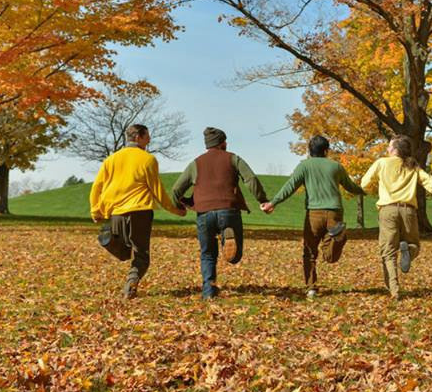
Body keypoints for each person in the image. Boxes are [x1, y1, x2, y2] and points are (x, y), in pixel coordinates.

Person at [260, 135, 364, 298]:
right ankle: (337, 238)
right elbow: (350, 186)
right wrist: (365, 190)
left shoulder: (304, 166)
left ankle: (311, 288)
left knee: (309, 251)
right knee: (330, 256)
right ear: (326, 150)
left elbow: (290, 186)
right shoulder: (336, 166)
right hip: (334, 212)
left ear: (309, 151)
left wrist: (273, 203)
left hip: (313, 214)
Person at [89, 123, 186, 300]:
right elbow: (157, 190)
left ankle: (109, 242)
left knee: (124, 250)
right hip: (140, 212)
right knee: (141, 253)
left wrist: (96, 210)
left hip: (116, 212)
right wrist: (174, 210)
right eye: (147, 136)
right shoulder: (147, 159)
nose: (149, 139)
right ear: (138, 137)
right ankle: (131, 282)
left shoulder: (111, 159)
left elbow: (97, 186)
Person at [172, 127, 268, 299]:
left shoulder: (196, 163)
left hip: (204, 213)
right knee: (234, 256)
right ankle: (227, 235)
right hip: (229, 209)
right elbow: (251, 179)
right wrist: (262, 200)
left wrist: (179, 206)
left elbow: (176, 190)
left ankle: (209, 291)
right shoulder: (233, 158)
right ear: (222, 143)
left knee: (207, 253)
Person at [361, 135, 432, 300]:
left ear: (395, 150)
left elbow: (364, 183)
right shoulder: (413, 166)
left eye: (389, 147)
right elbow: (431, 183)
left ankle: (395, 290)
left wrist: (373, 187)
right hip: (408, 211)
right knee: (414, 244)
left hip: (387, 210)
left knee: (388, 252)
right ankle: (409, 251)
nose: (387, 149)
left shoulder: (381, 163)